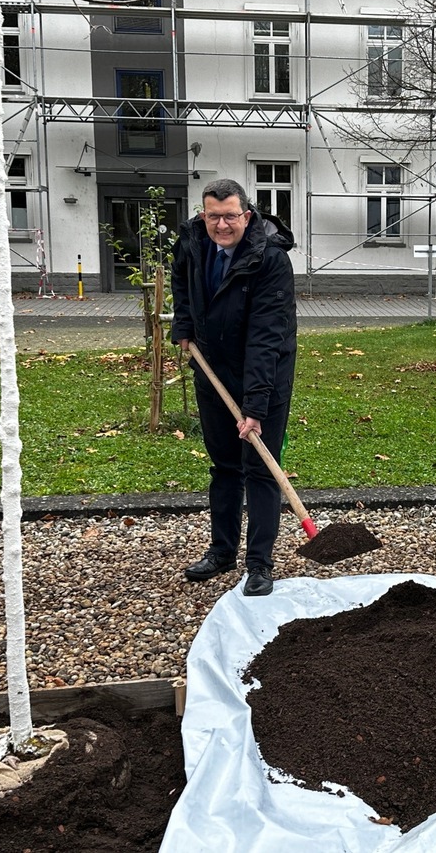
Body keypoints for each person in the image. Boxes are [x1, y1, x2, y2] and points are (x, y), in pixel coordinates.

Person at [171, 178, 297, 597]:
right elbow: (183, 287)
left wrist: (256, 406)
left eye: (230, 216)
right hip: (212, 369)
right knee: (224, 465)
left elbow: (267, 335)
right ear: (202, 215)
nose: (221, 225)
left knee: (260, 467)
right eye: (213, 216)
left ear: (246, 215)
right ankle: (222, 551)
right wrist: (184, 326)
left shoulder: (270, 259)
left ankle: (260, 562)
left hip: (265, 374)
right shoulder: (192, 243)